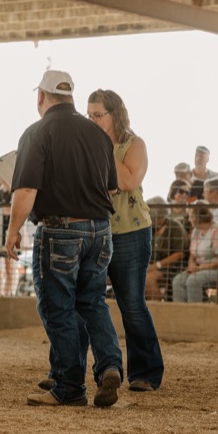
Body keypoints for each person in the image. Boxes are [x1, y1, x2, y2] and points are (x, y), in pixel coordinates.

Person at [5, 69, 123, 408]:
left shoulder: (37, 132)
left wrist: (13, 231)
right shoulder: (98, 134)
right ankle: (110, 365)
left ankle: (70, 387)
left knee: (58, 307)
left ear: (41, 97)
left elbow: (27, 189)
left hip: (60, 231)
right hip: (100, 229)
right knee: (93, 302)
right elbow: (112, 188)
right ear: (71, 96)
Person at [86, 88, 163, 391]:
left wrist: (103, 146)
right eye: (89, 116)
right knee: (88, 300)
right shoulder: (89, 144)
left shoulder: (135, 144)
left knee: (131, 304)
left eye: (98, 115)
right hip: (96, 229)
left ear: (114, 114)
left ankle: (146, 372)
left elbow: (129, 180)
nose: (92, 121)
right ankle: (97, 368)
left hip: (131, 231)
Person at [172, 201, 218, 304]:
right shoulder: (196, 231)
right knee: (178, 281)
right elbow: (192, 254)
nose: (189, 219)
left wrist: (199, 268)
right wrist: (191, 266)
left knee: (193, 281)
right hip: (202, 269)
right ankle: (180, 311)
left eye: (191, 216)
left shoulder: (217, 231)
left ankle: (195, 311)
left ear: (198, 218)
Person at [144, 196, 188, 301]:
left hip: (171, 268)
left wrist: (157, 265)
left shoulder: (175, 227)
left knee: (148, 279)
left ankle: (156, 308)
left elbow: (180, 254)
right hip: (150, 266)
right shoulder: (149, 227)